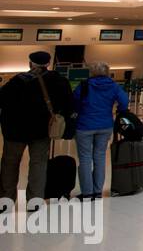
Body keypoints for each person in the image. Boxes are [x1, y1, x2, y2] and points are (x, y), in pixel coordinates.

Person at [0, 51, 74, 211]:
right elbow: (69, 104)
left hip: (14, 131)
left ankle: (5, 201)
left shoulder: (17, 81)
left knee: (10, 164)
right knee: (39, 164)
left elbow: (2, 99)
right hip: (42, 131)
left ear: (30, 63)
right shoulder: (59, 81)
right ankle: (34, 201)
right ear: (48, 63)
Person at [71, 62, 130, 200]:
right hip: (105, 125)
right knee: (100, 157)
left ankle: (87, 192)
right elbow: (124, 100)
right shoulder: (113, 85)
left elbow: (74, 101)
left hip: (84, 125)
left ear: (92, 72)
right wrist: (119, 110)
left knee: (85, 159)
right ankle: (98, 191)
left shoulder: (85, 85)